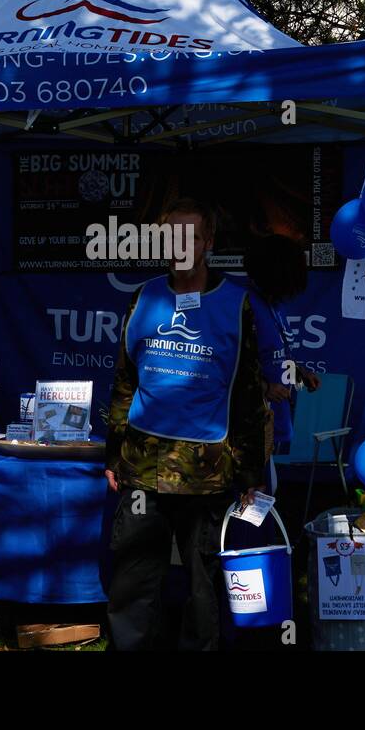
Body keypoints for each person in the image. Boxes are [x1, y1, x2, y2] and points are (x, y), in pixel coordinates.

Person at [105, 198, 272, 651]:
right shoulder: (144, 297)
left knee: (203, 592)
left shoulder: (236, 305)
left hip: (207, 474)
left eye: (191, 236)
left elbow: (247, 394)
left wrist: (250, 470)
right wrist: (112, 451)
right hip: (141, 468)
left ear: (209, 242)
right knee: (133, 585)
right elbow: (125, 379)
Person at [238, 232, 322, 491]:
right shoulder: (241, 302)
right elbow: (221, 363)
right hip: (244, 427)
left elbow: (270, 356)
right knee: (254, 498)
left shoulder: (269, 303)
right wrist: (264, 388)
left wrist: (299, 373)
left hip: (268, 425)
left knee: (266, 493)